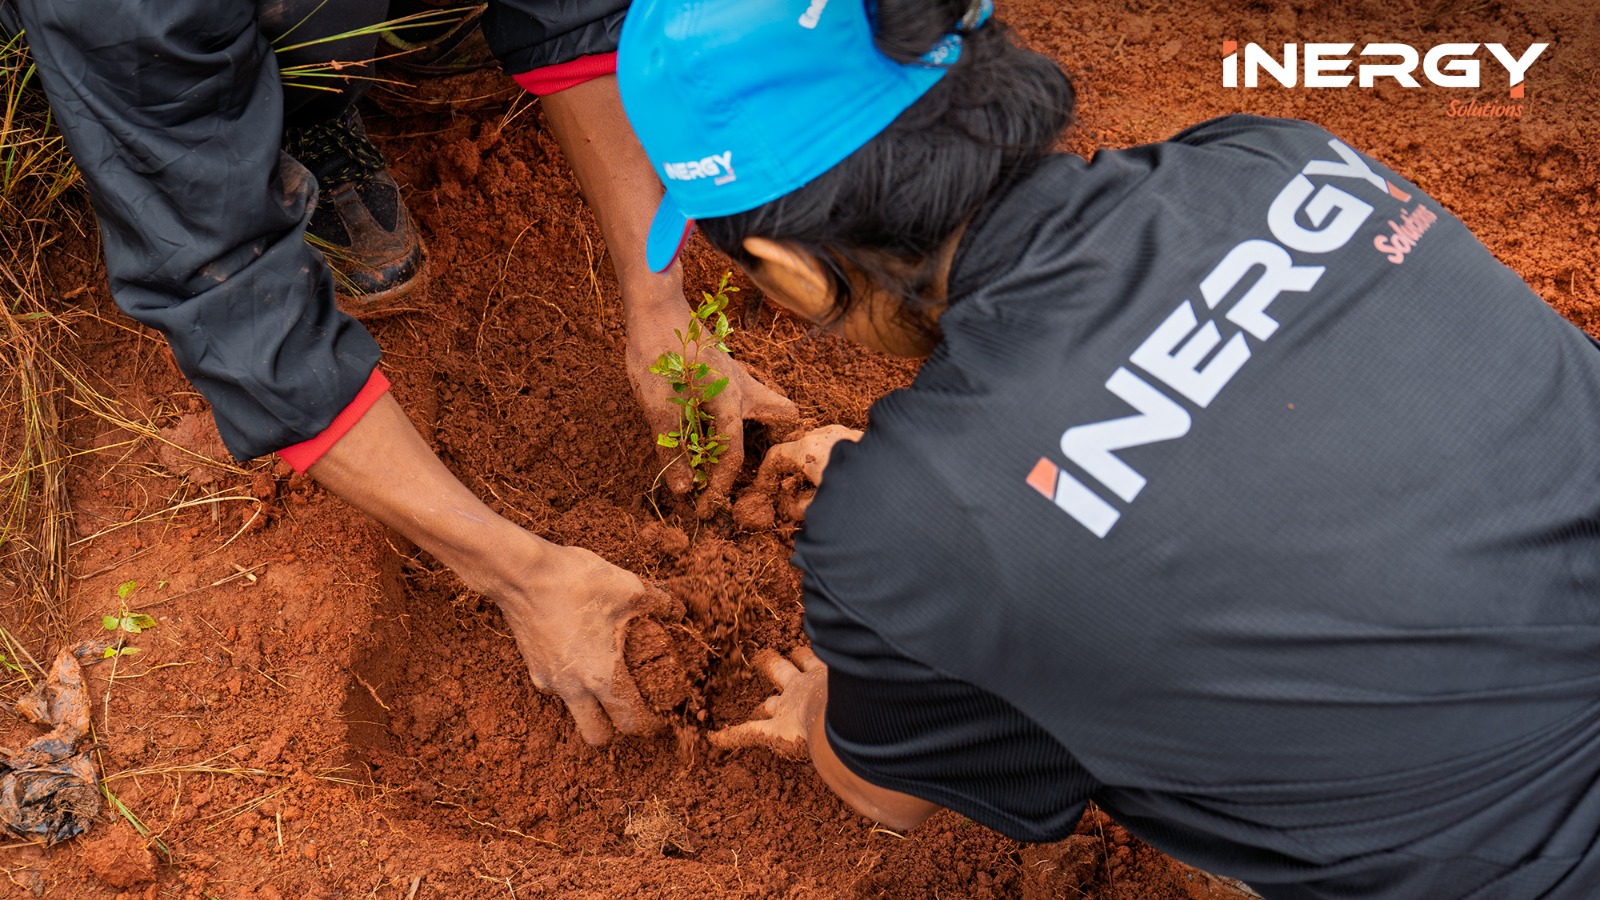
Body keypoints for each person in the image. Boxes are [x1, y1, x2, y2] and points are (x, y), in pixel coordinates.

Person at [616, 1, 1600, 897]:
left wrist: (831, 699)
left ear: (789, 269)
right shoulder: (1281, 156)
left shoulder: (907, 530)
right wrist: (961, 498)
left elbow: (888, 797)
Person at [7, 0, 792, 744]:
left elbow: (572, 13)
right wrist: (521, 576)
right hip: (143, 63)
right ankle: (293, 113)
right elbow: (230, 295)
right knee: (218, 92)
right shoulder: (134, 18)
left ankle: (326, 76)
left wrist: (657, 299)